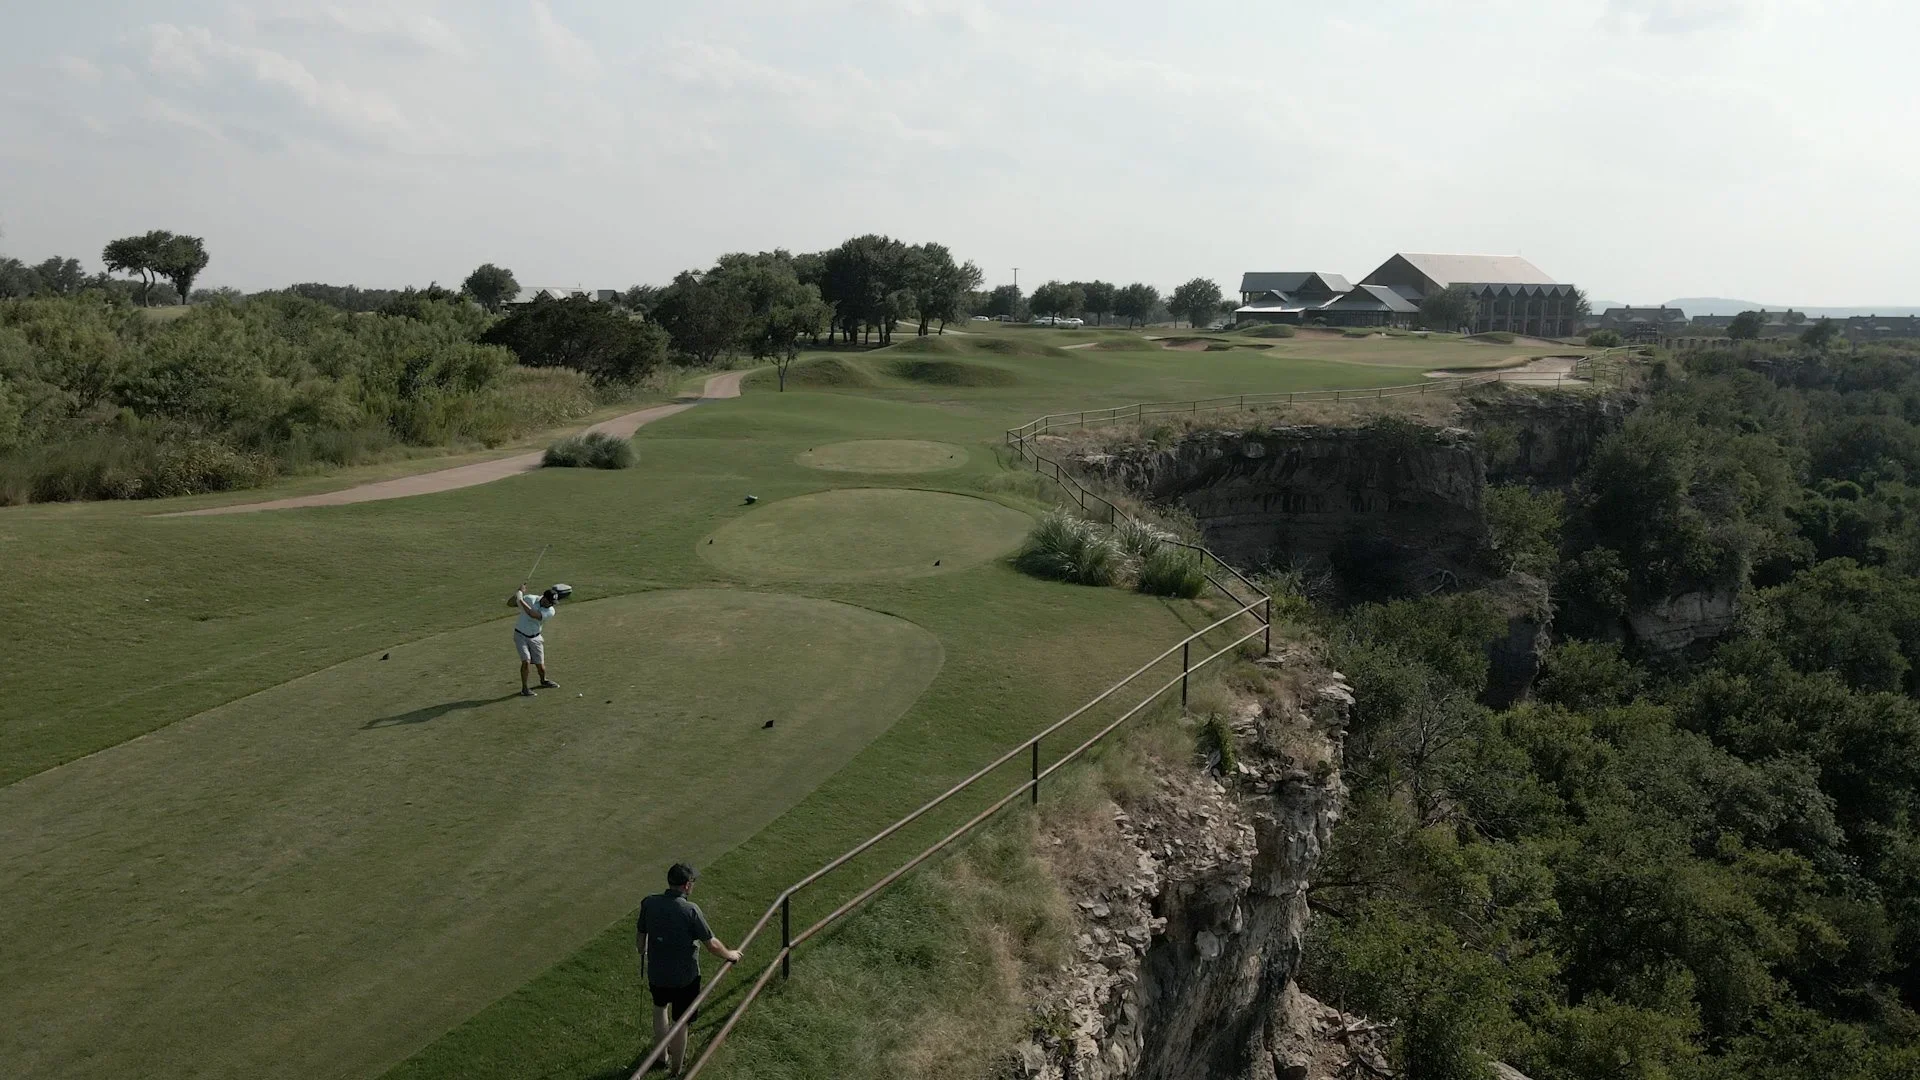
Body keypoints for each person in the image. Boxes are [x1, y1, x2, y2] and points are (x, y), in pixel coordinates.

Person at [637, 863, 742, 1075]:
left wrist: (646, 949)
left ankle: (661, 1057)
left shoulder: (649, 903)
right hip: (685, 979)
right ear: (686, 885)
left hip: (657, 974)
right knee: (681, 1021)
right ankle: (676, 1070)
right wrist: (730, 954)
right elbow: (712, 944)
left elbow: (641, 942)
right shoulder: (690, 910)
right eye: (692, 882)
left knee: (660, 1009)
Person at [510, 583, 571, 697]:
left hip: (536, 637)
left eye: (553, 603)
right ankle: (524, 688)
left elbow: (532, 614)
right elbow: (511, 603)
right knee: (526, 661)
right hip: (520, 635)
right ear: (544, 598)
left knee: (541, 667)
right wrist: (518, 594)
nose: (551, 605)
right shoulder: (530, 599)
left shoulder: (550, 611)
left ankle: (543, 680)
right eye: (550, 602)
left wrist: (520, 598)